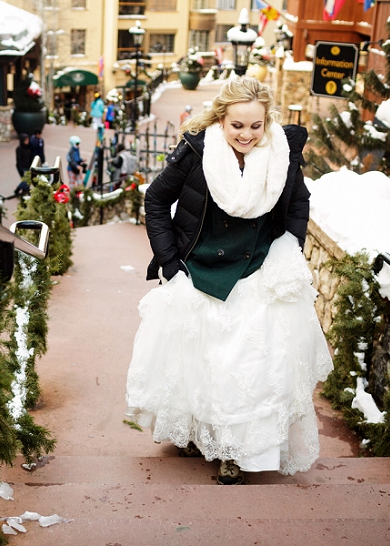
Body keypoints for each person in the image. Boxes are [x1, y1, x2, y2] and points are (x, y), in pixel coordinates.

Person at [125, 78, 333, 485]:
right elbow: (155, 199)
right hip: (199, 267)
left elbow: (298, 201)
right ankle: (193, 432)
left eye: (255, 126)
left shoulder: (282, 154)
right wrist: (169, 261)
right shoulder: (196, 151)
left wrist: (290, 245)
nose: (246, 135)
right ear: (221, 119)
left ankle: (237, 451)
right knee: (198, 360)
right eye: (237, 125)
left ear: (267, 122)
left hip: (257, 268)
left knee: (248, 365)